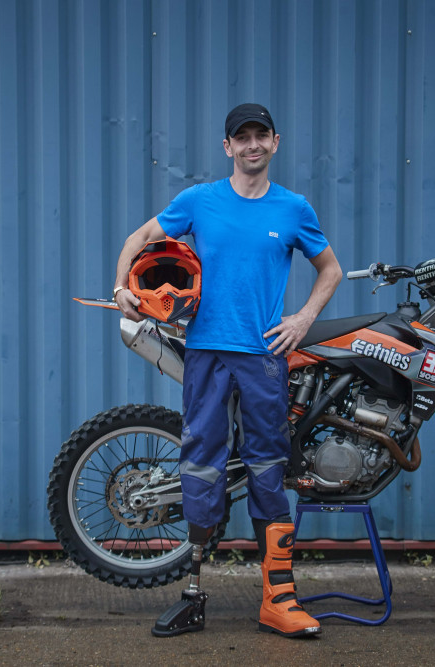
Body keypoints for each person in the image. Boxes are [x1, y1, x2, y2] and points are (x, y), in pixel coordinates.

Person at [113, 103, 343, 638]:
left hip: (264, 357)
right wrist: (123, 288)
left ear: (275, 142)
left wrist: (303, 318)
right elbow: (135, 241)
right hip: (206, 353)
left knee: (268, 467)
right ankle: (193, 593)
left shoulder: (293, 209)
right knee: (201, 464)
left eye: (261, 135)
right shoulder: (199, 200)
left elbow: (328, 269)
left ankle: (278, 601)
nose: (252, 145)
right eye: (242, 137)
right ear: (228, 148)